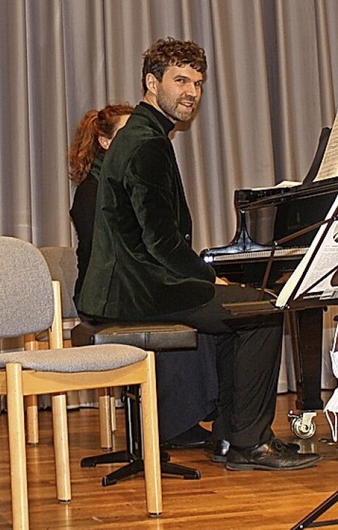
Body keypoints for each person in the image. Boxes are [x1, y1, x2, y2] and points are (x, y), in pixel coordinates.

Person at [77, 37, 321, 471]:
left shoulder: (141, 136)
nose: (192, 92)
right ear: (152, 83)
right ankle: (247, 441)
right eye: (181, 80)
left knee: (243, 310)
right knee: (262, 310)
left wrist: (206, 279)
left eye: (199, 83)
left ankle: (232, 438)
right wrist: (208, 279)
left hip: (132, 286)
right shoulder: (146, 142)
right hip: (136, 292)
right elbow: (161, 241)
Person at [69, 103, 218, 447]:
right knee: (185, 307)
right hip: (107, 292)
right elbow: (108, 256)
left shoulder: (121, 180)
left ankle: (188, 414)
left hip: (128, 282)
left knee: (194, 302)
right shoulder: (93, 192)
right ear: (106, 143)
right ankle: (175, 424)